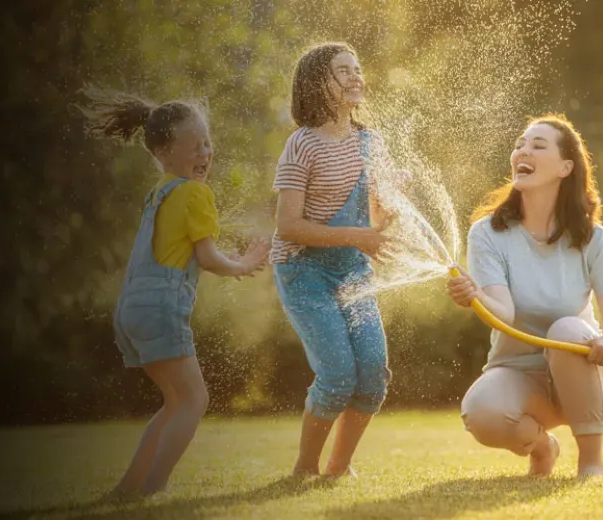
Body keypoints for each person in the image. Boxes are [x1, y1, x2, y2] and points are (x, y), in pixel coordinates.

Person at [78, 86, 269, 498]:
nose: (204, 153)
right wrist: (245, 264)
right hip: (161, 308)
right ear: (164, 153)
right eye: (193, 146)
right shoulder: (196, 193)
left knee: (174, 401)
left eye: (207, 144)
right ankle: (154, 485)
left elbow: (181, 250)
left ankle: (130, 487)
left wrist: (232, 258)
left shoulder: (158, 194)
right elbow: (208, 258)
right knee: (194, 400)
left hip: (132, 310)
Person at [446, 113, 603, 478]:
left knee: (565, 329)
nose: (522, 151)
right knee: (481, 413)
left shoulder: (595, 239)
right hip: (519, 372)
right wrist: (474, 296)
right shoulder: (487, 233)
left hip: (587, 371)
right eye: (519, 144)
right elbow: (504, 311)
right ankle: (543, 447)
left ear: (566, 167)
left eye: (537, 145)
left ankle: (590, 462)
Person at [270, 42, 399, 478]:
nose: (356, 77)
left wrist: (395, 198)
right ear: (315, 84)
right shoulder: (301, 145)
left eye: (358, 69)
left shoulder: (371, 142)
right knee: (338, 375)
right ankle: (305, 468)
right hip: (304, 271)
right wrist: (358, 235)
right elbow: (287, 226)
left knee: (373, 377)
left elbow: (377, 218)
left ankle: (338, 469)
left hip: (352, 270)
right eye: (343, 71)